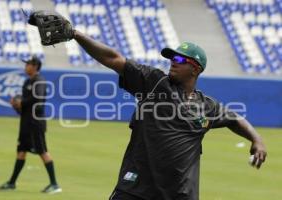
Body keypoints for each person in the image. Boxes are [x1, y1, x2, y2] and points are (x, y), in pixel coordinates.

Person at [69, 29, 267, 200]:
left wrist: (256, 139)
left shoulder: (207, 106)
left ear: (195, 69)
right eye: (172, 57)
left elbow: (234, 119)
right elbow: (112, 59)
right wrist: (74, 34)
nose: (173, 61)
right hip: (135, 189)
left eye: (180, 59)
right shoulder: (154, 82)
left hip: (179, 194)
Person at [0, 56, 62, 194]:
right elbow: (25, 106)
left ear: (35, 66)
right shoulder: (27, 82)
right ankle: (12, 183)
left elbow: (37, 99)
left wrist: (22, 103)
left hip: (35, 123)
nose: (26, 67)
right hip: (26, 122)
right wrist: (16, 106)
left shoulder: (40, 81)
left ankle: (55, 184)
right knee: (21, 151)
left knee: (42, 151)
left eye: (28, 65)